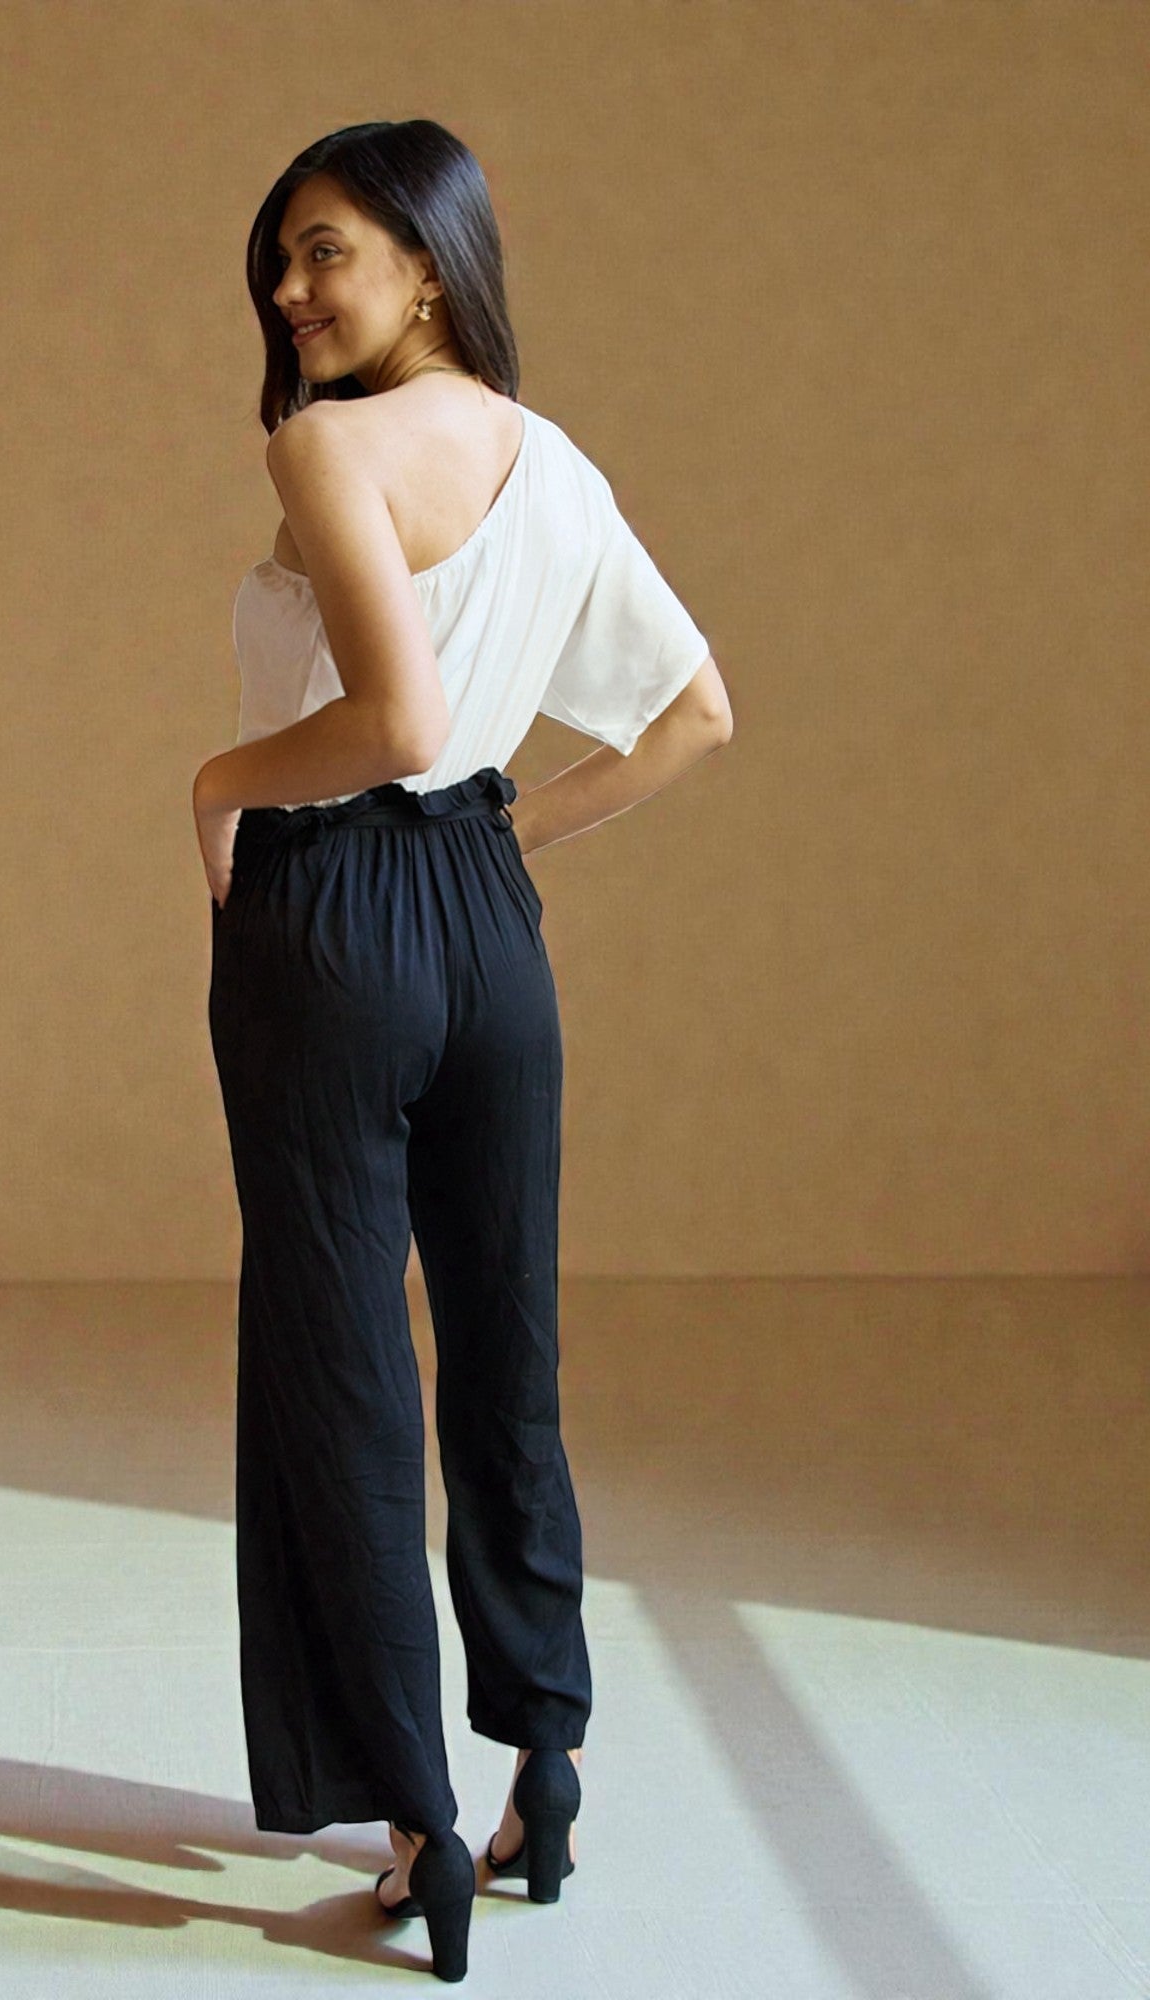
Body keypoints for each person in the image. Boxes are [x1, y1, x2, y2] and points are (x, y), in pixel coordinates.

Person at [194, 119, 732, 1983]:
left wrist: (214, 786)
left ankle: (417, 1812)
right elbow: (694, 715)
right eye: (278, 259)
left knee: (339, 1357)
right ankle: (548, 1762)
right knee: (507, 1352)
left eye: (325, 250)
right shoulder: (553, 463)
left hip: (333, 918)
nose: (289, 290)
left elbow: (388, 714)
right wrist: (505, 841)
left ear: (430, 263)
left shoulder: (324, 445)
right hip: (488, 931)